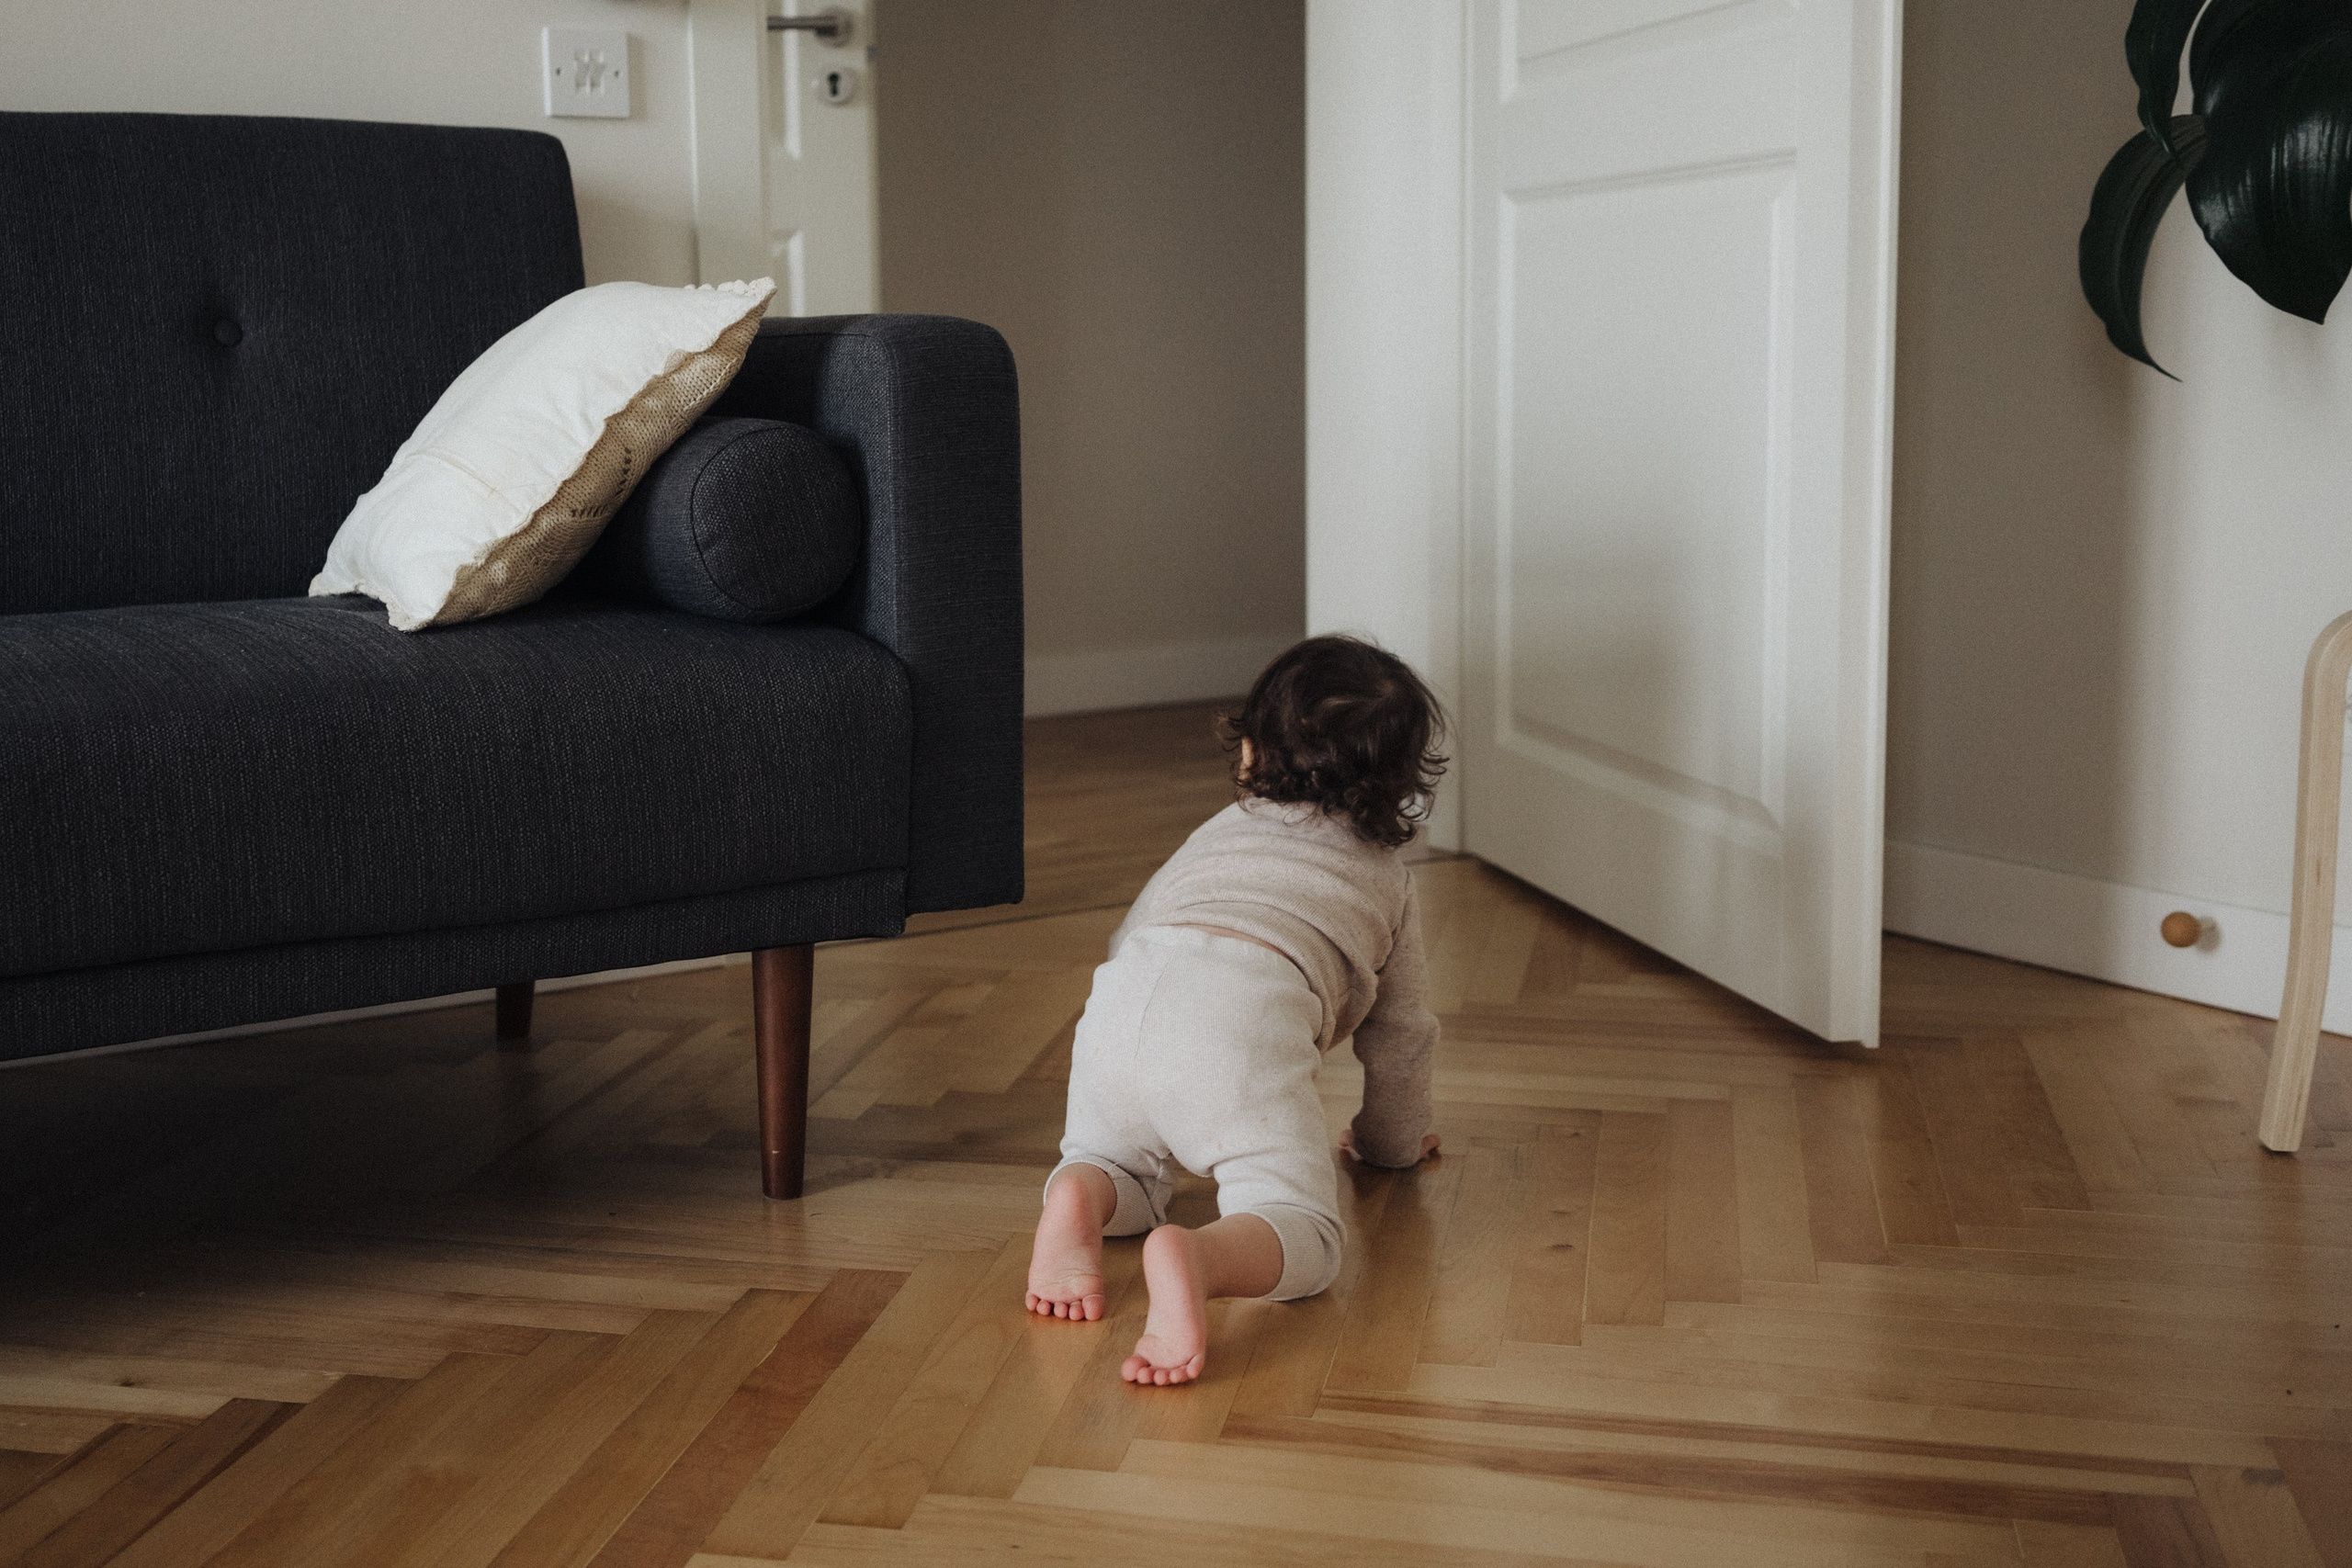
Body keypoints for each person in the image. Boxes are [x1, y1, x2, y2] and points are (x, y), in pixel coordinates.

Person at [1025, 635, 1447, 1385]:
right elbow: (1401, 1035)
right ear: (1401, 787)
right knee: (1309, 1235)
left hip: (1125, 999)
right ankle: (1204, 1255)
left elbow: (1132, 931)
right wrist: (1391, 1143)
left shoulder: (1214, 833)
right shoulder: (1387, 881)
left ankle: (1079, 1191)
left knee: (1117, 1159)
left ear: (1252, 753)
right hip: (1238, 1024)